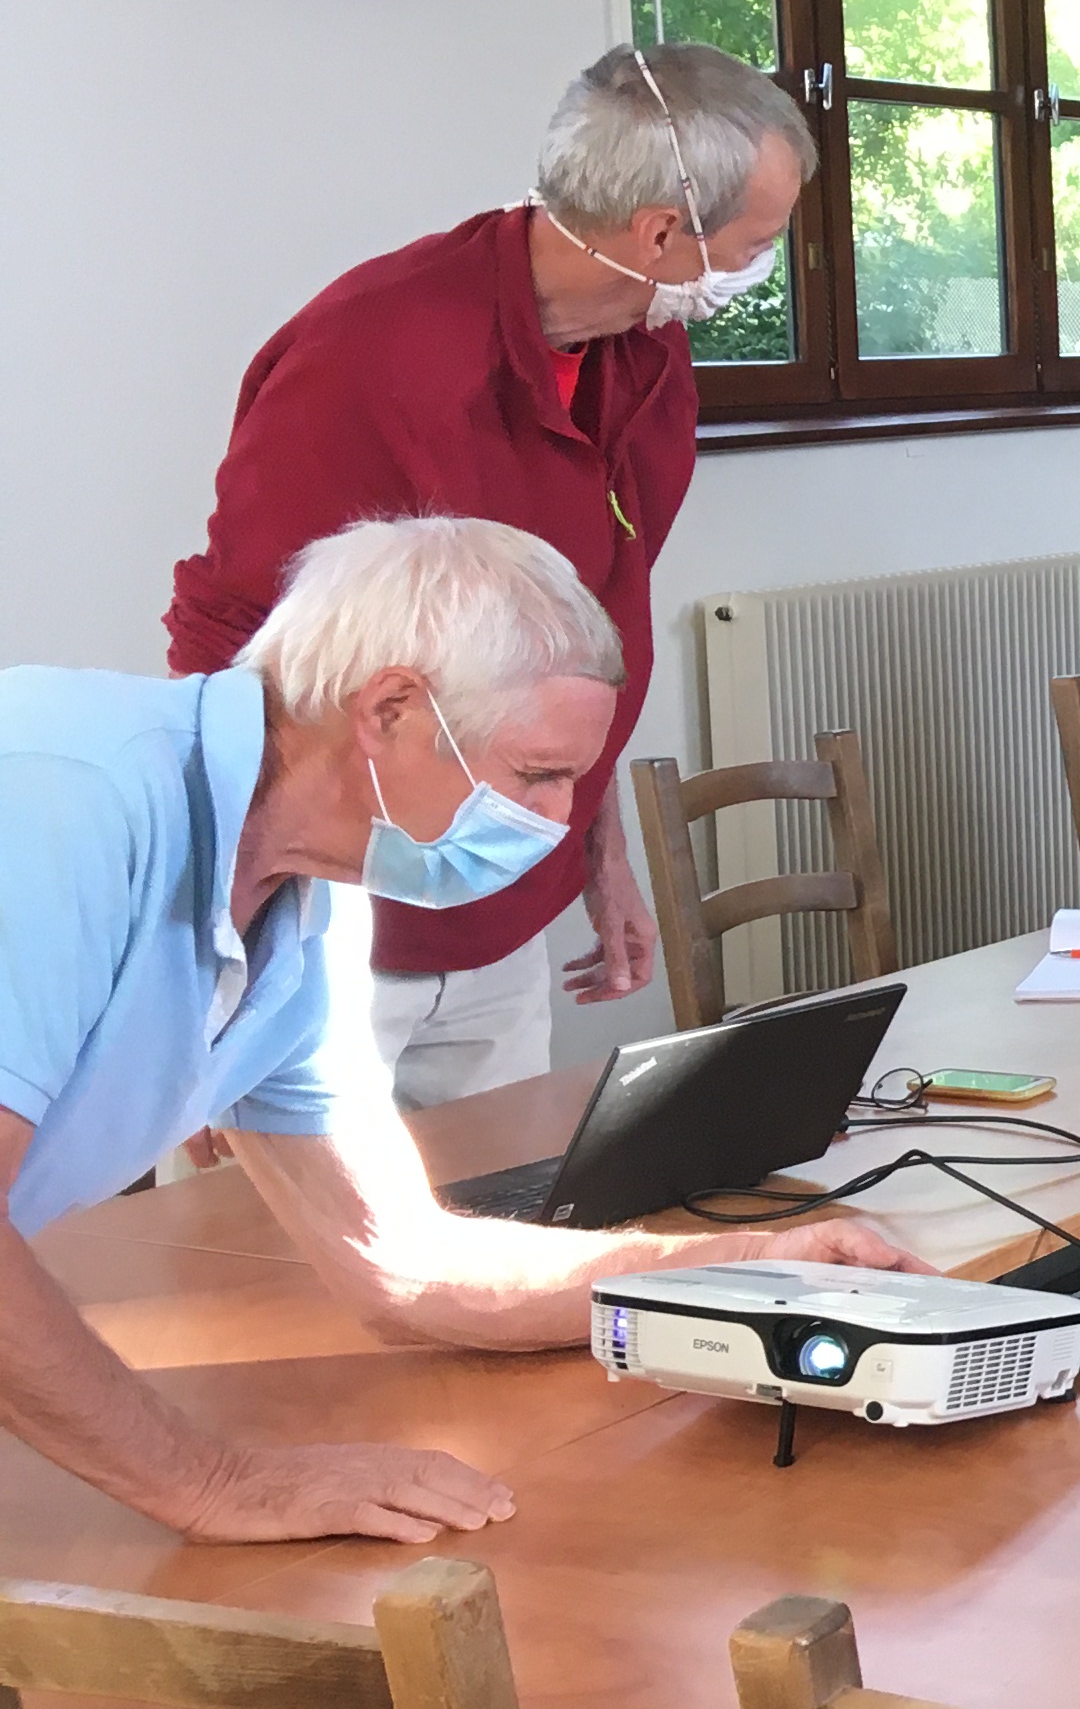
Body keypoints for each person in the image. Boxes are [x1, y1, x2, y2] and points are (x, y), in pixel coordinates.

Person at [1, 518, 914, 1545]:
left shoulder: (309, 901)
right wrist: (214, 1482)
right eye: (536, 775)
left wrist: (746, 1267)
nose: (559, 819)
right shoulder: (59, 800)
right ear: (389, 709)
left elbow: (406, 1268)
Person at [166, 45, 817, 1111]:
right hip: (332, 915)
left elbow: (585, 641)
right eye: (757, 239)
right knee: (283, 1258)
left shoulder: (644, 356)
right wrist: (226, 940)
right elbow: (230, 635)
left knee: (493, 1211)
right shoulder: (373, 353)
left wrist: (593, 845)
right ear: (660, 233)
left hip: (496, 892)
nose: (765, 262)